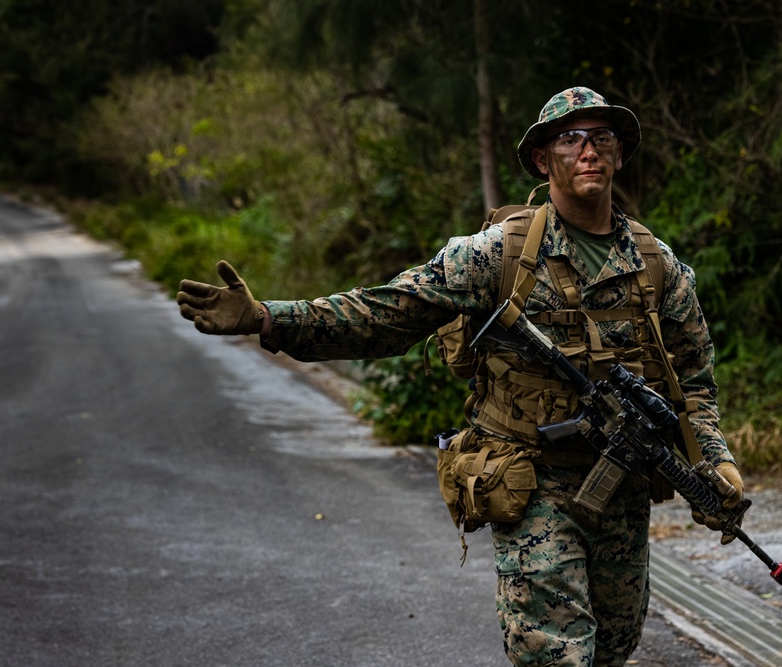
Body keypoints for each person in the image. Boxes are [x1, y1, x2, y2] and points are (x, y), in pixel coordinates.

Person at [176, 86, 744, 667]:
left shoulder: (657, 266)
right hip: (531, 486)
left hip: (623, 495)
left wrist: (715, 462)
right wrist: (271, 318)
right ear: (544, 160)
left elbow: (692, 380)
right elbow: (388, 312)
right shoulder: (497, 254)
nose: (588, 150)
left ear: (620, 154)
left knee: (613, 649)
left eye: (602, 138)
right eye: (570, 139)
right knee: (556, 658)